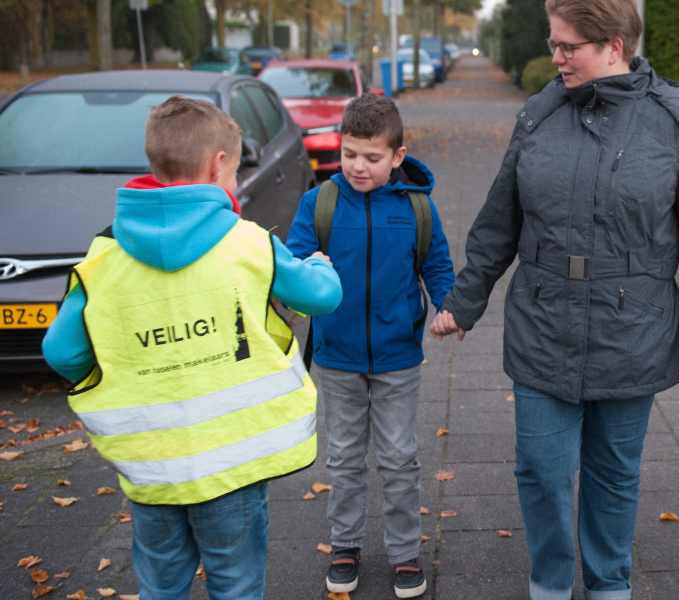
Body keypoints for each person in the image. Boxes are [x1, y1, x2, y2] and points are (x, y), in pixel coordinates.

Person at [428, 0, 679, 597]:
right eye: (554, 42)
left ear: (614, 45)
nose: (555, 56)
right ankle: (550, 579)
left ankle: (609, 582)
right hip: (544, 322)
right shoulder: (540, 114)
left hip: (633, 328)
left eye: (569, 46)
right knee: (540, 469)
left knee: (614, 473)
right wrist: (465, 301)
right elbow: (498, 221)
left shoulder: (674, 121)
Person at [41, 95, 343, 600]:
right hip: (232, 465)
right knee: (236, 585)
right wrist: (321, 265)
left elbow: (63, 353)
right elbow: (321, 297)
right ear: (217, 163)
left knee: (161, 586)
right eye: (234, 169)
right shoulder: (248, 242)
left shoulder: (103, 256)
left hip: (151, 468)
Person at [284, 92, 454, 598]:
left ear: (397, 157)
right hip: (337, 357)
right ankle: (344, 545)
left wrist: (448, 308)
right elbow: (294, 264)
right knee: (343, 457)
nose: (358, 166)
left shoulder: (416, 208)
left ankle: (404, 553)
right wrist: (310, 274)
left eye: (372, 157)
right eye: (350, 153)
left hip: (399, 355)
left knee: (400, 458)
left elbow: (437, 265)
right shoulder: (320, 203)